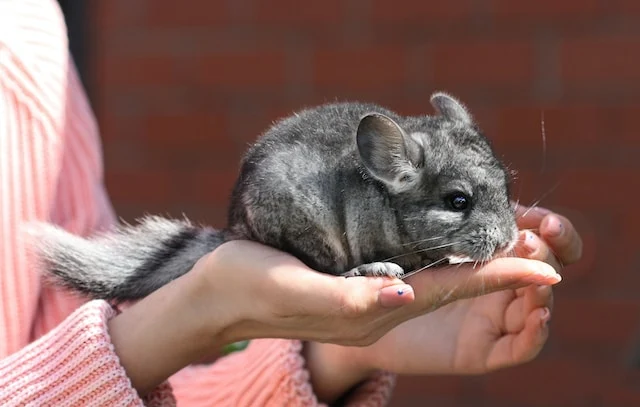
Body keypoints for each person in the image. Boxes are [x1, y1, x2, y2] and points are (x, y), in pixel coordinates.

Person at [0, 0, 583, 405]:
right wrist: (193, 313)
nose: (497, 226)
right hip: (293, 208)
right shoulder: (27, 57)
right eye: (460, 204)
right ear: (394, 170)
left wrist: (341, 352)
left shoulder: (33, 44)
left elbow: (135, 381)